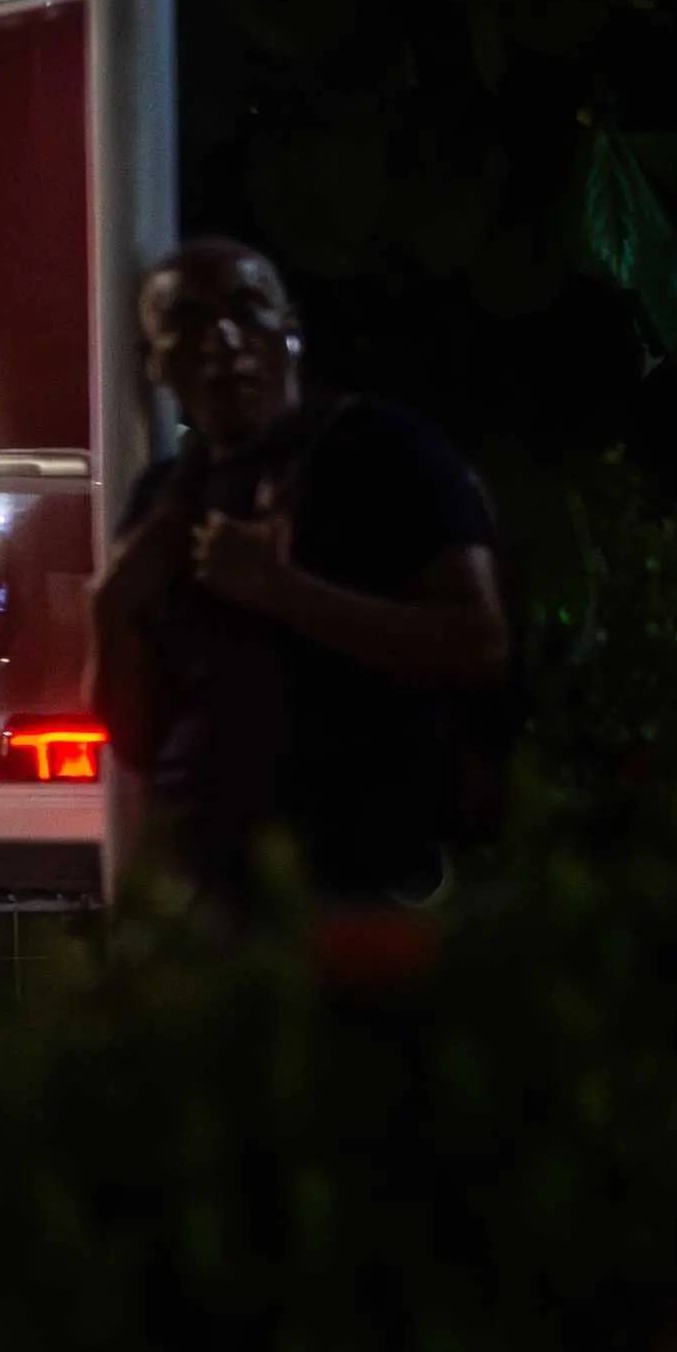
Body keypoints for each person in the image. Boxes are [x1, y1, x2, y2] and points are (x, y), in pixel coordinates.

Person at [91, 238, 513, 901]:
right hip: (207, 899)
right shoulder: (164, 498)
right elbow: (142, 739)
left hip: (357, 883)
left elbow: (480, 644)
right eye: (189, 323)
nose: (223, 338)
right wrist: (113, 612)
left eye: (246, 308)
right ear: (155, 363)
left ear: (290, 329)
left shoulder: (380, 451)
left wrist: (284, 592)